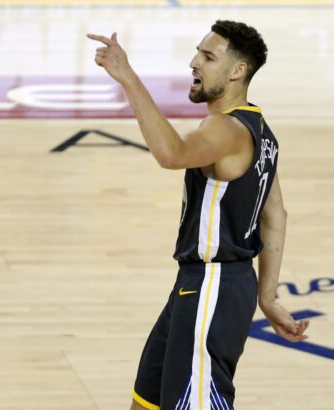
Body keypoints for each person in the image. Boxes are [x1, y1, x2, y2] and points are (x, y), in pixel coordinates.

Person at [87, 20, 309, 410]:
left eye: (208, 57)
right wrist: (267, 297)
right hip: (210, 285)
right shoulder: (262, 132)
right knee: (147, 402)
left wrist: (128, 78)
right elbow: (275, 215)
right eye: (197, 53)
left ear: (237, 71)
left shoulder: (226, 129)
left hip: (212, 286)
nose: (194, 63)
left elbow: (171, 154)